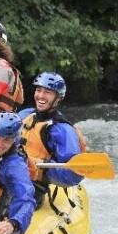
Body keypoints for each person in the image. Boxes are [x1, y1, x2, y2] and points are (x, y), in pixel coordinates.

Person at [18, 72, 87, 205]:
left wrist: (41, 166)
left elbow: (73, 175)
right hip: (7, 175)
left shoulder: (62, 130)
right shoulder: (25, 114)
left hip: (31, 188)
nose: (41, 96)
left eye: (47, 92)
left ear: (58, 98)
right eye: (39, 90)